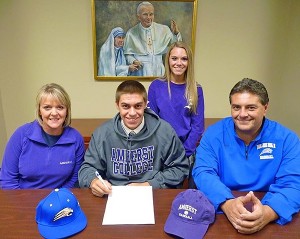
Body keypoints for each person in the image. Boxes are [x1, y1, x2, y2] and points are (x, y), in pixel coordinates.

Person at [192, 78, 300, 234]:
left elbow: (294, 184)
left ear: (265, 108)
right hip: (223, 210)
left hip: (270, 211)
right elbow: (203, 173)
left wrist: (268, 213)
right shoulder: (213, 135)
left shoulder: (287, 139)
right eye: (236, 107)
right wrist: (227, 204)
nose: (242, 114)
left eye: (250, 107)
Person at [78, 80, 189, 197]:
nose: (132, 113)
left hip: (153, 194)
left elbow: (179, 168)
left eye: (138, 106)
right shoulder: (102, 133)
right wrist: (93, 181)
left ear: (145, 104)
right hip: (113, 195)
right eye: (125, 106)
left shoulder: (164, 131)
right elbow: (87, 168)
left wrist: (150, 184)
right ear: (117, 105)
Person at [0, 83, 85, 189]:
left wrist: (56, 200)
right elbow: (8, 180)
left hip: (59, 200)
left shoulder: (76, 139)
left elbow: (74, 179)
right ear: (39, 111)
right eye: (47, 107)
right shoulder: (21, 135)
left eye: (60, 107)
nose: (54, 113)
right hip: (23, 199)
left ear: (67, 111)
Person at [148, 41, 204, 188]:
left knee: (179, 195)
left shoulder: (196, 89)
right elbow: (151, 122)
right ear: (168, 60)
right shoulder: (156, 86)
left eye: (184, 59)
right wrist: (163, 151)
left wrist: (184, 152)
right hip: (161, 151)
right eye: (174, 58)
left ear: (189, 62)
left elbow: (197, 126)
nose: (179, 63)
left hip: (185, 152)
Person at [123, 1, 182, 76]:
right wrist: (134, 61)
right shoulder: (131, 33)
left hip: (158, 70)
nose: (149, 18)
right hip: (141, 71)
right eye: (145, 14)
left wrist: (175, 34)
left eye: (151, 14)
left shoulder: (163, 29)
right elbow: (128, 55)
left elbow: (175, 47)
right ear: (138, 17)